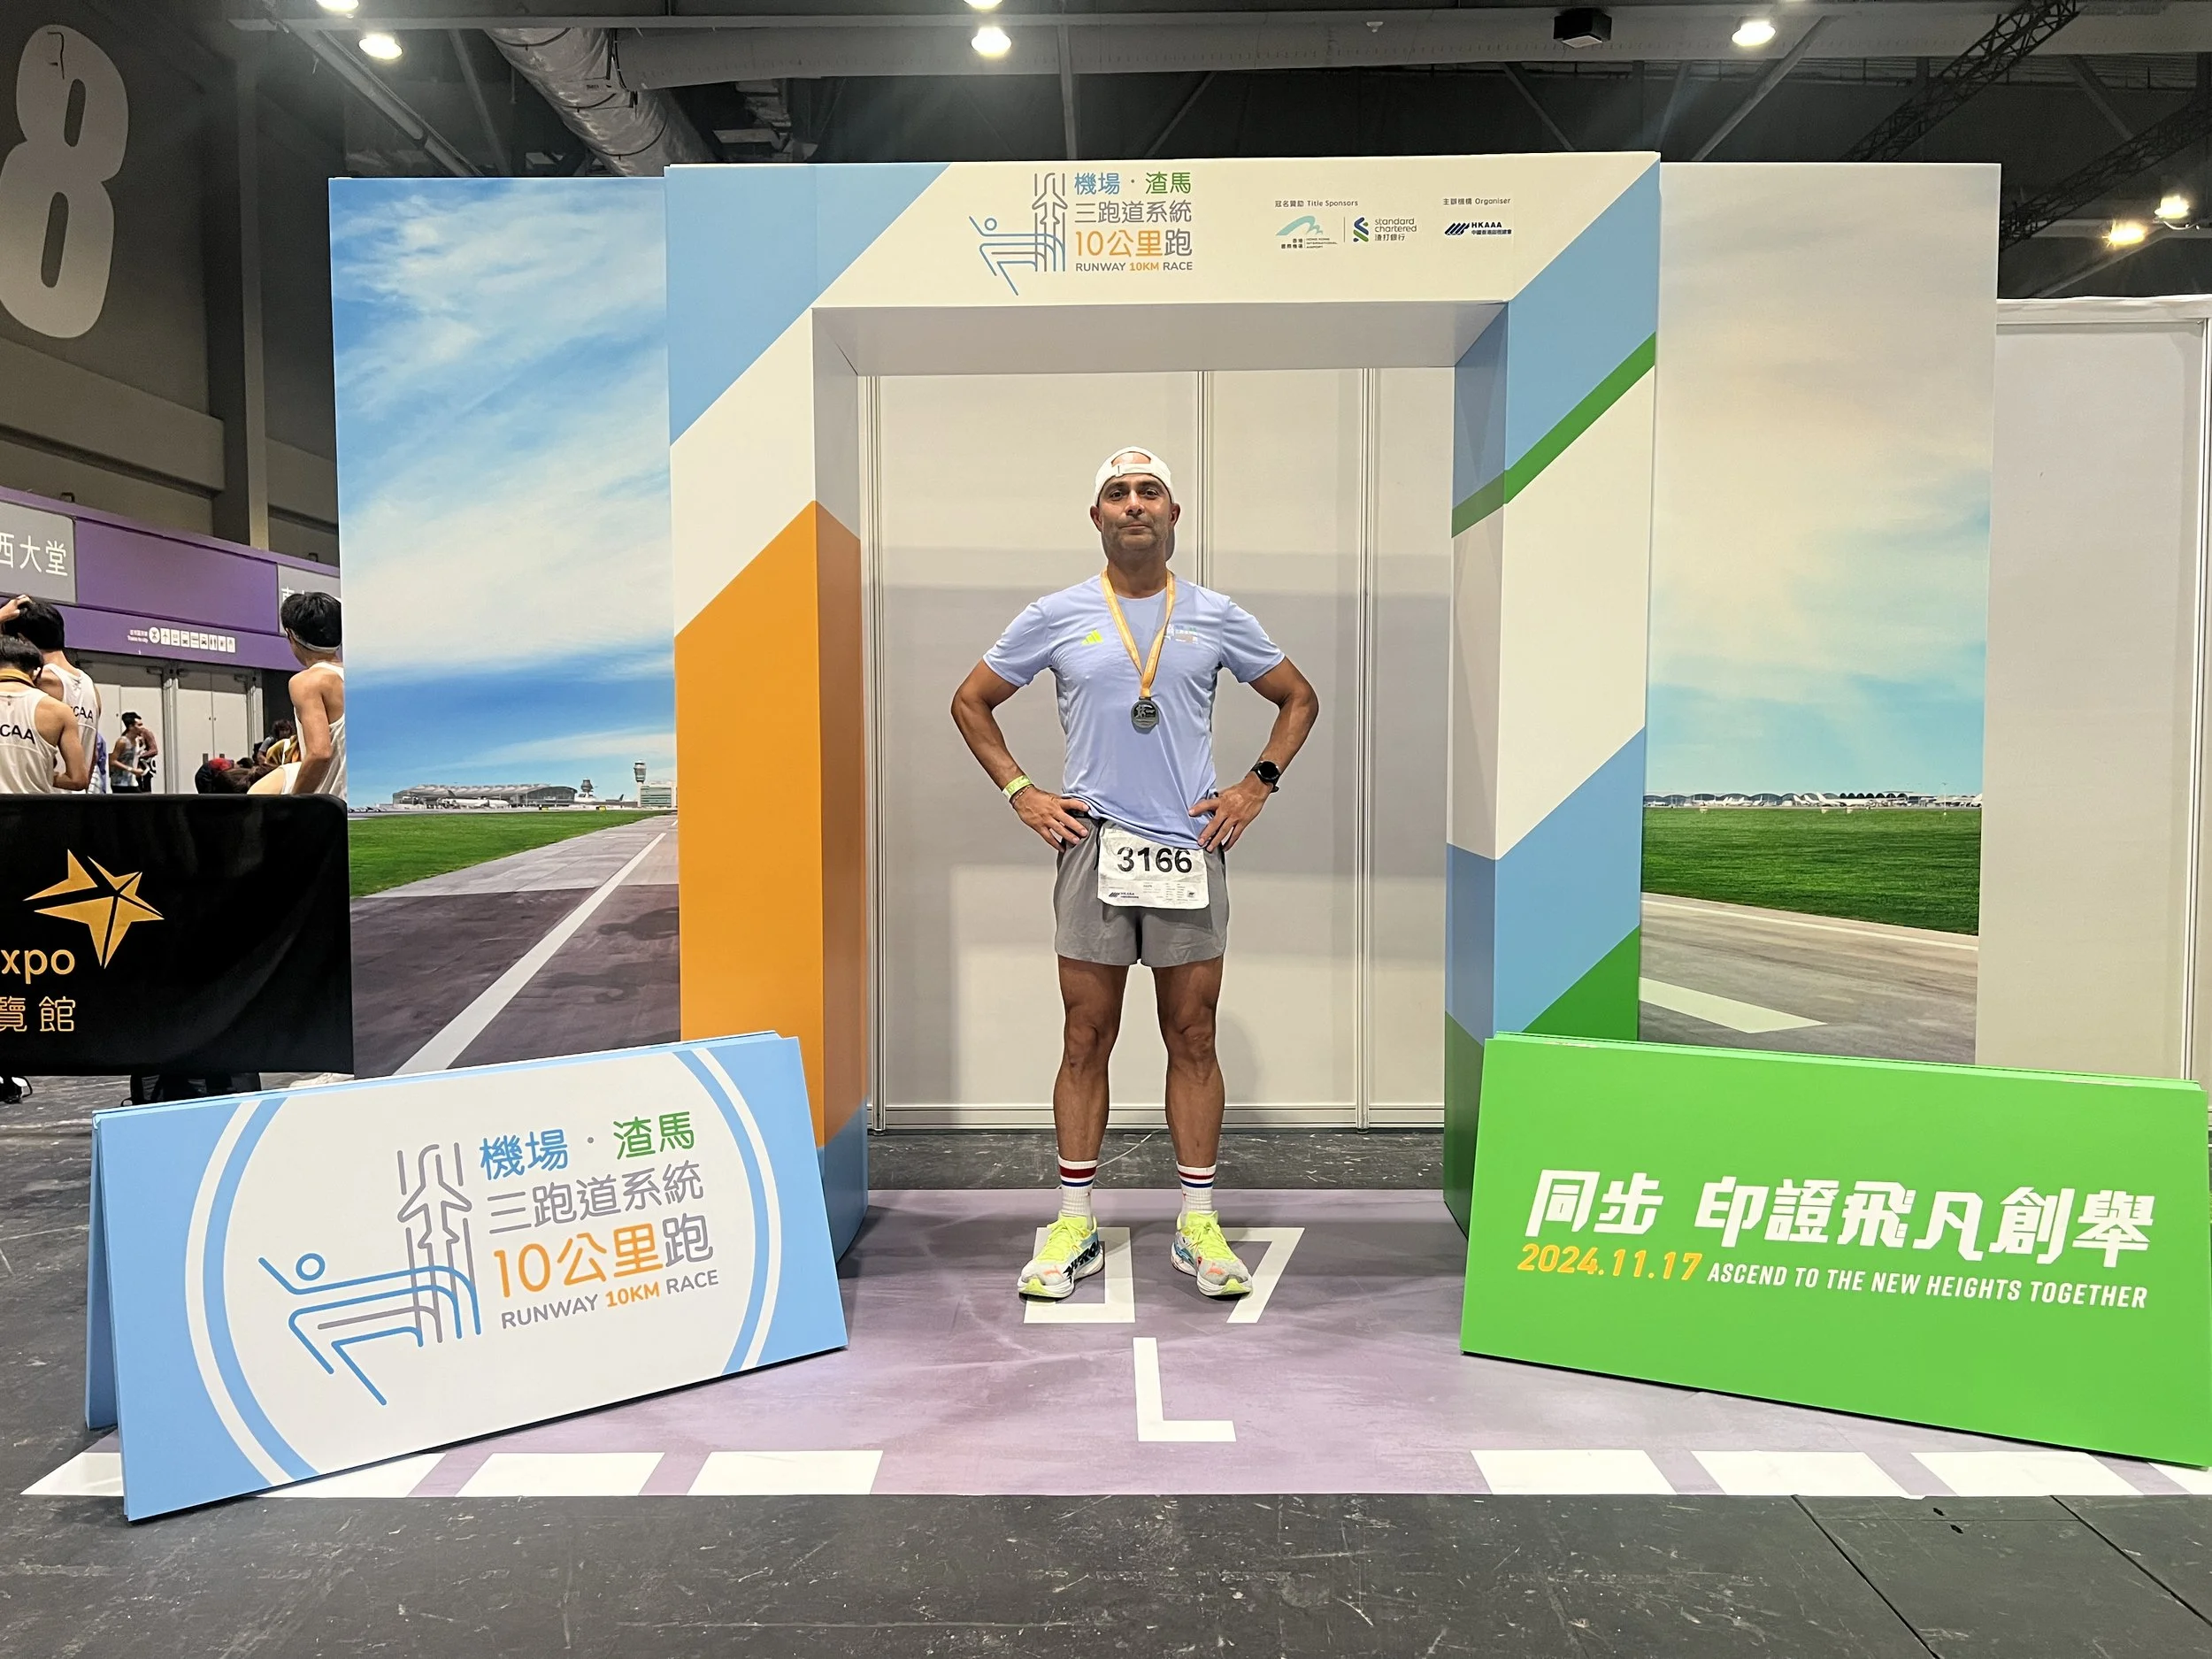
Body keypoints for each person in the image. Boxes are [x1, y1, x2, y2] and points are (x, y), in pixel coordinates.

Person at [950, 447, 1320, 1302]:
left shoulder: (1215, 615)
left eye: (1149, 491)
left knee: (1193, 1035)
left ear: (1173, 512)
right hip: (1096, 846)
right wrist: (1021, 791)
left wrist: (1257, 784)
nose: (1133, 505)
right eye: (1117, 493)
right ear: (1097, 517)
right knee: (1086, 1035)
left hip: (1188, 846)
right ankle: (1073, 1220)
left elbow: (1297, 696)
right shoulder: (1057, 614)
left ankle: (1198, 1224)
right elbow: (971, 700)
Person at [0, 595, 93, 790]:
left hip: (39, 793)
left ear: (21, 641)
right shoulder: (88, 684)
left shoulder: (39, 678)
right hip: (74, 799)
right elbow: (90, 760)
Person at [279, 591, 345, 799]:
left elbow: (319, 753)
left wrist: (292, 804)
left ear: (290, 635)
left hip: (330, 807)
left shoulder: (307, 682)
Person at [110, 712, 157, 792]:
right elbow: (112, 761)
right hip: (120, 783)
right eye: (139, 725)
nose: (142, 728)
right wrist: (131, 769)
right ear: (131, 727)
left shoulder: (137, 740)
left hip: (132, 781)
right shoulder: (122, 742)